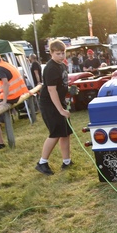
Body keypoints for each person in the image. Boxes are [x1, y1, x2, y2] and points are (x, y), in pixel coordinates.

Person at [34, 39, 72, 176]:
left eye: (63, 53)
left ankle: (67, 161)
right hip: (49, 104)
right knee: (55, 133)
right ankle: (42, 163)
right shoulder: (50, 68)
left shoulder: (61, 65)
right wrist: (61, 110)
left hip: (59, 102)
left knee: (65, 132)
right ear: (51, 53)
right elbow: (51, 90)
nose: (61, 56)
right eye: (58, 53)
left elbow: (62, 84)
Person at [0, 51, 30, 150]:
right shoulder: (7, 65)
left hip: (11, 97)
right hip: (18, 94)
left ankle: (0, 141)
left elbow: (6, 84)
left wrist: (4, 101)